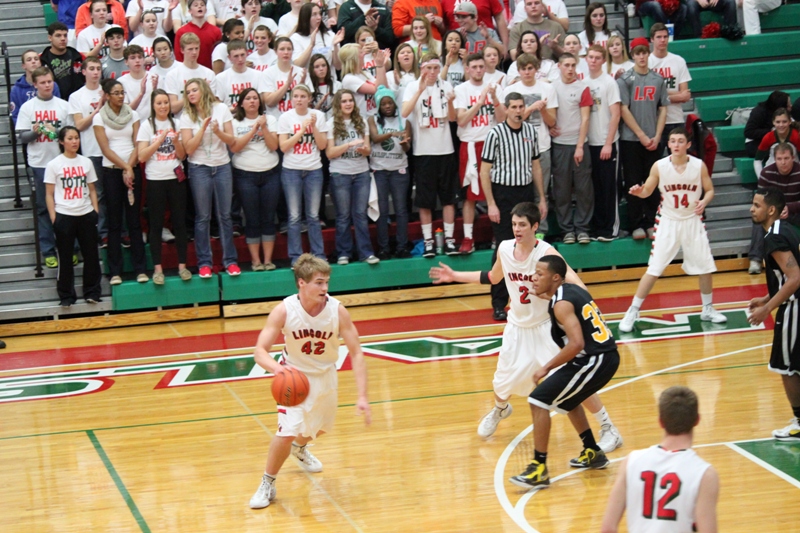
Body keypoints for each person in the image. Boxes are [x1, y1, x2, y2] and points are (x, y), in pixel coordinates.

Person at [429, 202, 624, 450]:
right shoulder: (504, 248)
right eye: (514, 224)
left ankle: (608, 428)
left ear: (535, 226)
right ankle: (500, 409)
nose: (517, 229)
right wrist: (455, 276)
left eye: (522, 225)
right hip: (516, 327)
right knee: (501, 383)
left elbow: (577, 286)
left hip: (545, 329)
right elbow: (493, 277)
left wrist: (577, 309)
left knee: (570, 383)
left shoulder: (547, 254)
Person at [248, 253, 371, 509]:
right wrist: (278, 370)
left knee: (321, 427)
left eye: (326, 282)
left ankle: (299, 448)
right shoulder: (284, 310)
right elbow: (259, 351)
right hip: (293, 376)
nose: (325, 288)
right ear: (301, 283)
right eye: (319, 282)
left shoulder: (337, 311)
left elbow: (357, 353)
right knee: (287, 430)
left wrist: (362, 396)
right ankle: (267, 482)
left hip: (325, 375)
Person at [509, 254, 620, 488]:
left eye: (540, 274)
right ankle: (592, 451)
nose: (533, 277)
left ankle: (539, 468)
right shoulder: (570, 291)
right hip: (601, 357)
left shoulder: (561, 304)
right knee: (569, 400)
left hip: (596, 359)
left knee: (538, 400)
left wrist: (546, 367)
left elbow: (577, 343)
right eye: (534, 272)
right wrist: (546, 294)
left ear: (556, 277)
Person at [618, 127, 727, 333]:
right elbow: (647, 190)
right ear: (668, 144)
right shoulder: (659, 166)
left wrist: (704, 201)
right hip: (668, 221)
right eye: (673, 141)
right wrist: (640, 192)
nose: (676, 145)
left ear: (688, 144)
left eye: (680, 141)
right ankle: (633, 310)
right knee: (654, 269)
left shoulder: (698, 165)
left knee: (705, 266)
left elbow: (710, 190)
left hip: (692, 220)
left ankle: (708, 308)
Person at [600, 386, 719, 533]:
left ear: (660, 421)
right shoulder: (705, 475)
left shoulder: (632, 461)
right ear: (697, 420)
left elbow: (607, 529)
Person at [480, 92, 547, 320]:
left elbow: (536, 166)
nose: (518, 111)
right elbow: (485, 171)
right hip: (502, 194)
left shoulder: (531, 131)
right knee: (503, 248)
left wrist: (542, 198)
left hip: (525, 192)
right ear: (506, 109)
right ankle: (499, 302)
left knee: (528, 245)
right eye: (514, 107)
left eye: (521, 107)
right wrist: (491, 203)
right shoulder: (495, 134)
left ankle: (530, 297)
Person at [748, 187, 800, 441]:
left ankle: (799, 423)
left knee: (786, 367)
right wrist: (767, 297)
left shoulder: (774, 237)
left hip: (794, 308)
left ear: (771, 210)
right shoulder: (788, 229)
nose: (751, 209)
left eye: (757, 205)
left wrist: (767, 309)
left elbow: (795, 278)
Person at [180, 78, 241, 278]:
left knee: (225, 216)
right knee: (203, 217)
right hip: (199, 168)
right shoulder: (186, 116)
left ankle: (230, 261)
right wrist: (203, 129)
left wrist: (217, 132)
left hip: (222, 166)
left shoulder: (221, 109)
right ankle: (204, 263)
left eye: (194, 90)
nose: (191, 94)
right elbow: (188, 149)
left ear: (203, 90)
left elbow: (232, 141)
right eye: (188, 91)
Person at [401, 52, 458, 258]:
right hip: (423, 151)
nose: (432, 72)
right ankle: (428, 242)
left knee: (448, 198)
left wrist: (450, 102)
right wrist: (420, 91)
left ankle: (449, 240)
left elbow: (453, 118)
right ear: (421, 68)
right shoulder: (412, 86)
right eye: (428, 68)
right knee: (425, 200)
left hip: (445, 149)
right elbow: (405, 112)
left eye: (435, 68)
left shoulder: (446, 85)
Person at [16, 67, 72, 270]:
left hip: (63, 161)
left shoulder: (63, 105)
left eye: (50, 81)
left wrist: (55, 131)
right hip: (39, 163)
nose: (47, 85)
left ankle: (70, 248)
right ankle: (48, 250)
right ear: (35, 85)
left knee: (68, 206)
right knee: (43, 208)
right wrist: (36, 131)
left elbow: (72, 134)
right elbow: (22, 137)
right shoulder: (28, 107)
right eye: (43, 82)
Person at [93, 78, 148, 285]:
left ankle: (140, 269)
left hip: (132, 170)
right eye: (116, 93)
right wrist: (125, 167)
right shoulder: (99, 118)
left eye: (122, 92)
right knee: (114, 222)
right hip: (112, 172)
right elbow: (105, 149)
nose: (120, 96)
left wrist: (130, 168)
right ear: (107, 96)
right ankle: (115, 271)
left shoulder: (133, 115)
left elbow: (137, 144)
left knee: (134, 220)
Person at [137, 89, 191, 284]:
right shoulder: (146, 126)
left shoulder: (177, 123)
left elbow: (182, 155)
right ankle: (158, 270)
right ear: (153, 105)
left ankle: (182, 267)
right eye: (159, 103)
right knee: (156, 225)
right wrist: (159, 140)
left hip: (176, 179)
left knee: (180, 223)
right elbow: (142, 156)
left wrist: (176, 142)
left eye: (166, 102)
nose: (163, 106)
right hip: (155, 180)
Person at [617, 36, 668, 241]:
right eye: (637, 53)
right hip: (631, 140)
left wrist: (657, 135)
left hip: (653, 140)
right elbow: (623, 109)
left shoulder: (658, 79)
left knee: (652, 181)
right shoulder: (625, 80)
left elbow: (663, 108)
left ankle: (651, 222)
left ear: (648, 53)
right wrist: (641, 135)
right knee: (633, 182)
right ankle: (636, 223)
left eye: (644, 52)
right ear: (632, 55)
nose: (641, 56)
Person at [45, 126, 102, 307]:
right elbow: (49, 194)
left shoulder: (86, 162)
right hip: (64, 215)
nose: (74, 141)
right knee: (65, 258)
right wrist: (54, 217)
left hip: (86, 214)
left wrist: (95, 211)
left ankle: (92, 292)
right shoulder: (54, 164)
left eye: (76, 138)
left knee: (91, 256)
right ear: (61, 141)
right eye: (70, 138)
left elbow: (92, 189)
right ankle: (66, 296)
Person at [502, 54, 556, 238]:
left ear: (536, 69)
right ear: (518, 71)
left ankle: (540, 232)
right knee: (520, 195)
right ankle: (518, 233)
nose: (527, 72)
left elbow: (552, 121)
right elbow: (511, 120)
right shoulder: (510, 90)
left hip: (542, 146)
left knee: (542, 194)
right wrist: (531, 108)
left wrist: (543, 110)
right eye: (523, 69)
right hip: (517, 150)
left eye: (530, 68)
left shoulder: (547, 88)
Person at [454, 52, 504, 254]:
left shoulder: (496, 88)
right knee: (469, 195)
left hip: (492, 144)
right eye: (473, 67)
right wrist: (480, 101)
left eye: (481, 66)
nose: (478, 70)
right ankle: (468, 238)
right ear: (467, 69)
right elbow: (461, 120)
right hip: (470, 144)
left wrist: (494, 98)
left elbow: (502, 119)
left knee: (497, 191)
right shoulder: (461, 89)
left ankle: (498, 235)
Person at [230, 87, 281, 271]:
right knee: (251, 218)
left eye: (255, 98)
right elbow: (235, 147)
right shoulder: (235, 122)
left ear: (260, 102)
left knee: (268, 218)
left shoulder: (270, 119)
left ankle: (267, 260)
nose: (252, 101)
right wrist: (254, 129)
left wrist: (264, 127)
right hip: (245, 174)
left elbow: (274, 146)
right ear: (241, 103)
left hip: (270, 173)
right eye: (248, 98)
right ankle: (255, 261)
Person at [277, 85, 329, 266]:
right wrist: (301, 131)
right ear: (292, 99)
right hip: (291, 170)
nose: (299, 99)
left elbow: (322, 146)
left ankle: (319, 255)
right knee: (294, 216)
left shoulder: (318, 116)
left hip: (313, 170)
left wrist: (313, 127)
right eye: (296, 96)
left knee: (313, 216)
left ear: (309, 98)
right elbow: (283, 147)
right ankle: (296, 257)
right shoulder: (285, 117)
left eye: (302, 96)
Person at [326, 89, 379, 265]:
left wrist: (363, 149)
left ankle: (366, 253)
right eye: (344, 101)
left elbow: (368, 150)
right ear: (338, 104)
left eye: (350, 100)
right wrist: (349, 145)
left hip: (361, 173)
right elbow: (330, 153)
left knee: (360, 214)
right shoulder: (331, 123)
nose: (348, 104)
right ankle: (343, 253)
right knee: (343, 216)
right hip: (340, 174)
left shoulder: (361, 121)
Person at [551, 52, 593, 245]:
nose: (570, 69)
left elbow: (585, 119)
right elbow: (548, 114)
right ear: (559, 66)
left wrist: (580, 146)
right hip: (559, 145)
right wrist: (549, 127)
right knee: (562, 190)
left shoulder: (583, 88)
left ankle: (583, 229)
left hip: (579, 144)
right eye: (566, 65)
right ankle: (567, 230)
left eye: (573, 65)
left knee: (584, 189)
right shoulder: (552, 87)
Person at [368, 86, 412, 260]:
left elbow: (407, 148)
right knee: (382, 211)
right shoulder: (372, 119)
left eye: (390, 103)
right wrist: (392, 134)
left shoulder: (404, 120)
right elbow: (375, 138)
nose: (387, 106)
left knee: (401, 210)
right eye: (383, 103)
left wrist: (404, 143)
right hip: (379, 170)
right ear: (378, 105)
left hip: (399, 170)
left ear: (395, 103)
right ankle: (383, 248)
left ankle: (402, 246)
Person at [68, 57, 106, 246]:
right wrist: (97, 110)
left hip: (112, 150)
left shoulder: (108, 90)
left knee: (116, 194)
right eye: (91, 68)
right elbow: (79, 125)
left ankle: (120, 232)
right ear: (83, 72)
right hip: (91, 151)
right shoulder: (76, 96)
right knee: (98, 194)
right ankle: (101, 233)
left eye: (98, 68)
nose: (95, 72)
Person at [585, 45, 621, 242]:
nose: (593, 60)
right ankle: (597, 227)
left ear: (603, 60)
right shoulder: (583, 82)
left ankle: (610, 229)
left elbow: (616, 114)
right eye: (590, 57)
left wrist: (608, 143)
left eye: (597, 57)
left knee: (608, 187)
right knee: (594, 188)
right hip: (589, 143)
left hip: (606, 142)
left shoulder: (609, 83)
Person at [748, 143, 800, 275]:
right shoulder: (766, 173)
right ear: (774, 159)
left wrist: (790, 208)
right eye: (779, 159)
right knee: (759, 218)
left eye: (786, 158)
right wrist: (778, 210)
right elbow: (761, 200)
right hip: (773, 212)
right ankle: (755, 259)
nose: (783, 162)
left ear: (793, 158)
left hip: (795, 212)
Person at [648, 23, 692, 154]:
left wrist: (661, 95)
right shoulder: (647, 62)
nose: (662, 40)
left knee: (678, 160)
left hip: (676, 119)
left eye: (665, 37)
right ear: (652, 39)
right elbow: (650, 97)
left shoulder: (679, 61)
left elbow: (685, 96)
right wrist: (675, 95)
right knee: (654, 161)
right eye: (659, 37)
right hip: (654, 122)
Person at [166, 33, 217, 116]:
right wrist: (196, 93)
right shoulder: (172, 75)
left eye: (196, 48)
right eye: (190, 49)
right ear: (182, 50)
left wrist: (204, 92)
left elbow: (212, 103)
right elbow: (173, 108)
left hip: (205, 117)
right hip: (182, 118)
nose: (194, 52)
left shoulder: (209, 73)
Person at [259, 37, 308, 119]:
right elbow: (269, 102)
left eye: (289, 49)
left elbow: (308, 102)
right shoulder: (267, 73)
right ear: (275, 51)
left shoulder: (301, 72)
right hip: (275, 120)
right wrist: (287, 84)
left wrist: (302, 86)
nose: (286, 52)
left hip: (298, 120)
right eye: (282, 49)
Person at [10, 50, 63, 124]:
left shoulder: (52, 85)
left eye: (36, 59)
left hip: (51, 125)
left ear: (40, 63)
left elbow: (57, 108)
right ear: (23, 66)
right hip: (27, 127)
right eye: (29, 60)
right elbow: (15, 115)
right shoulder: (16, 89)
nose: (33, 61)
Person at [290, 3, 344, 72]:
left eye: (319, 14)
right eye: (314, 14)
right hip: (308, 78)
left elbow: (338, 67)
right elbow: (298, 65)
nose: (319, 17)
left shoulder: (330, 35)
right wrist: (311, 45)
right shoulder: (296, 38)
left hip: (329, 78)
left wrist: (335, 46)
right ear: (305, 18)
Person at [40, 22, 85, 101]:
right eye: (58, 35)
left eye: (65, 35)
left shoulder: (78, 57)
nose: (63, 39)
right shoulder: (41, 59)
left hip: (77, 101)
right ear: (50, 38)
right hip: (52, 102)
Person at [174, 0, 222, 69]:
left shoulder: (216, 31)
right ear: (190, 11)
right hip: (189, 71)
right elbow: (178, 56)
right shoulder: (182, 32)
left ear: (206, 10)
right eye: (196, 5)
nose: (199, 7)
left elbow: (219, 54)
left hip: (210, 71)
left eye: (202, 5)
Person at [215, 40, 262, 110]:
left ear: (247, 54)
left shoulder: (258, 75)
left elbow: (262, 102)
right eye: (236, 56)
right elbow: (218, 105)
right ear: (229, 57)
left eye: (242, 55)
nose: (240, 59)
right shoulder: (221, 78)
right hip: (231, 115)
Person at [744, 91, 792, 158]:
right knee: (779, 152)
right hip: (756, 143)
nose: (791, 106)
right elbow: (749, 132)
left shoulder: (787, 114)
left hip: (777, 140)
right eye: (788, 106)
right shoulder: (759, 112)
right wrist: (771, 131)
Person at [754, 108, 800, 176]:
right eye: (778, 122)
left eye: (784, 122)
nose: (781, 125)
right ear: (773, 122)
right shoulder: (768, 137)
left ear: (790, 121)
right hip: (772, 173)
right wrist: (761, 178)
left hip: (794, 172)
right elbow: (757, 160)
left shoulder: (797, 136)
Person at [119, 45, 159, 121]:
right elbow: (125, 112)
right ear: (126, 62)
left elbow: (162, 106)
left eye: (140, 57)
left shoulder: (154, 78)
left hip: (152, 122)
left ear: (144, 60)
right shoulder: (121, 82)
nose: (137, 61)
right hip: (131, 123)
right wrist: (141, 94)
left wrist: (155, 91)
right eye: (133, 58)